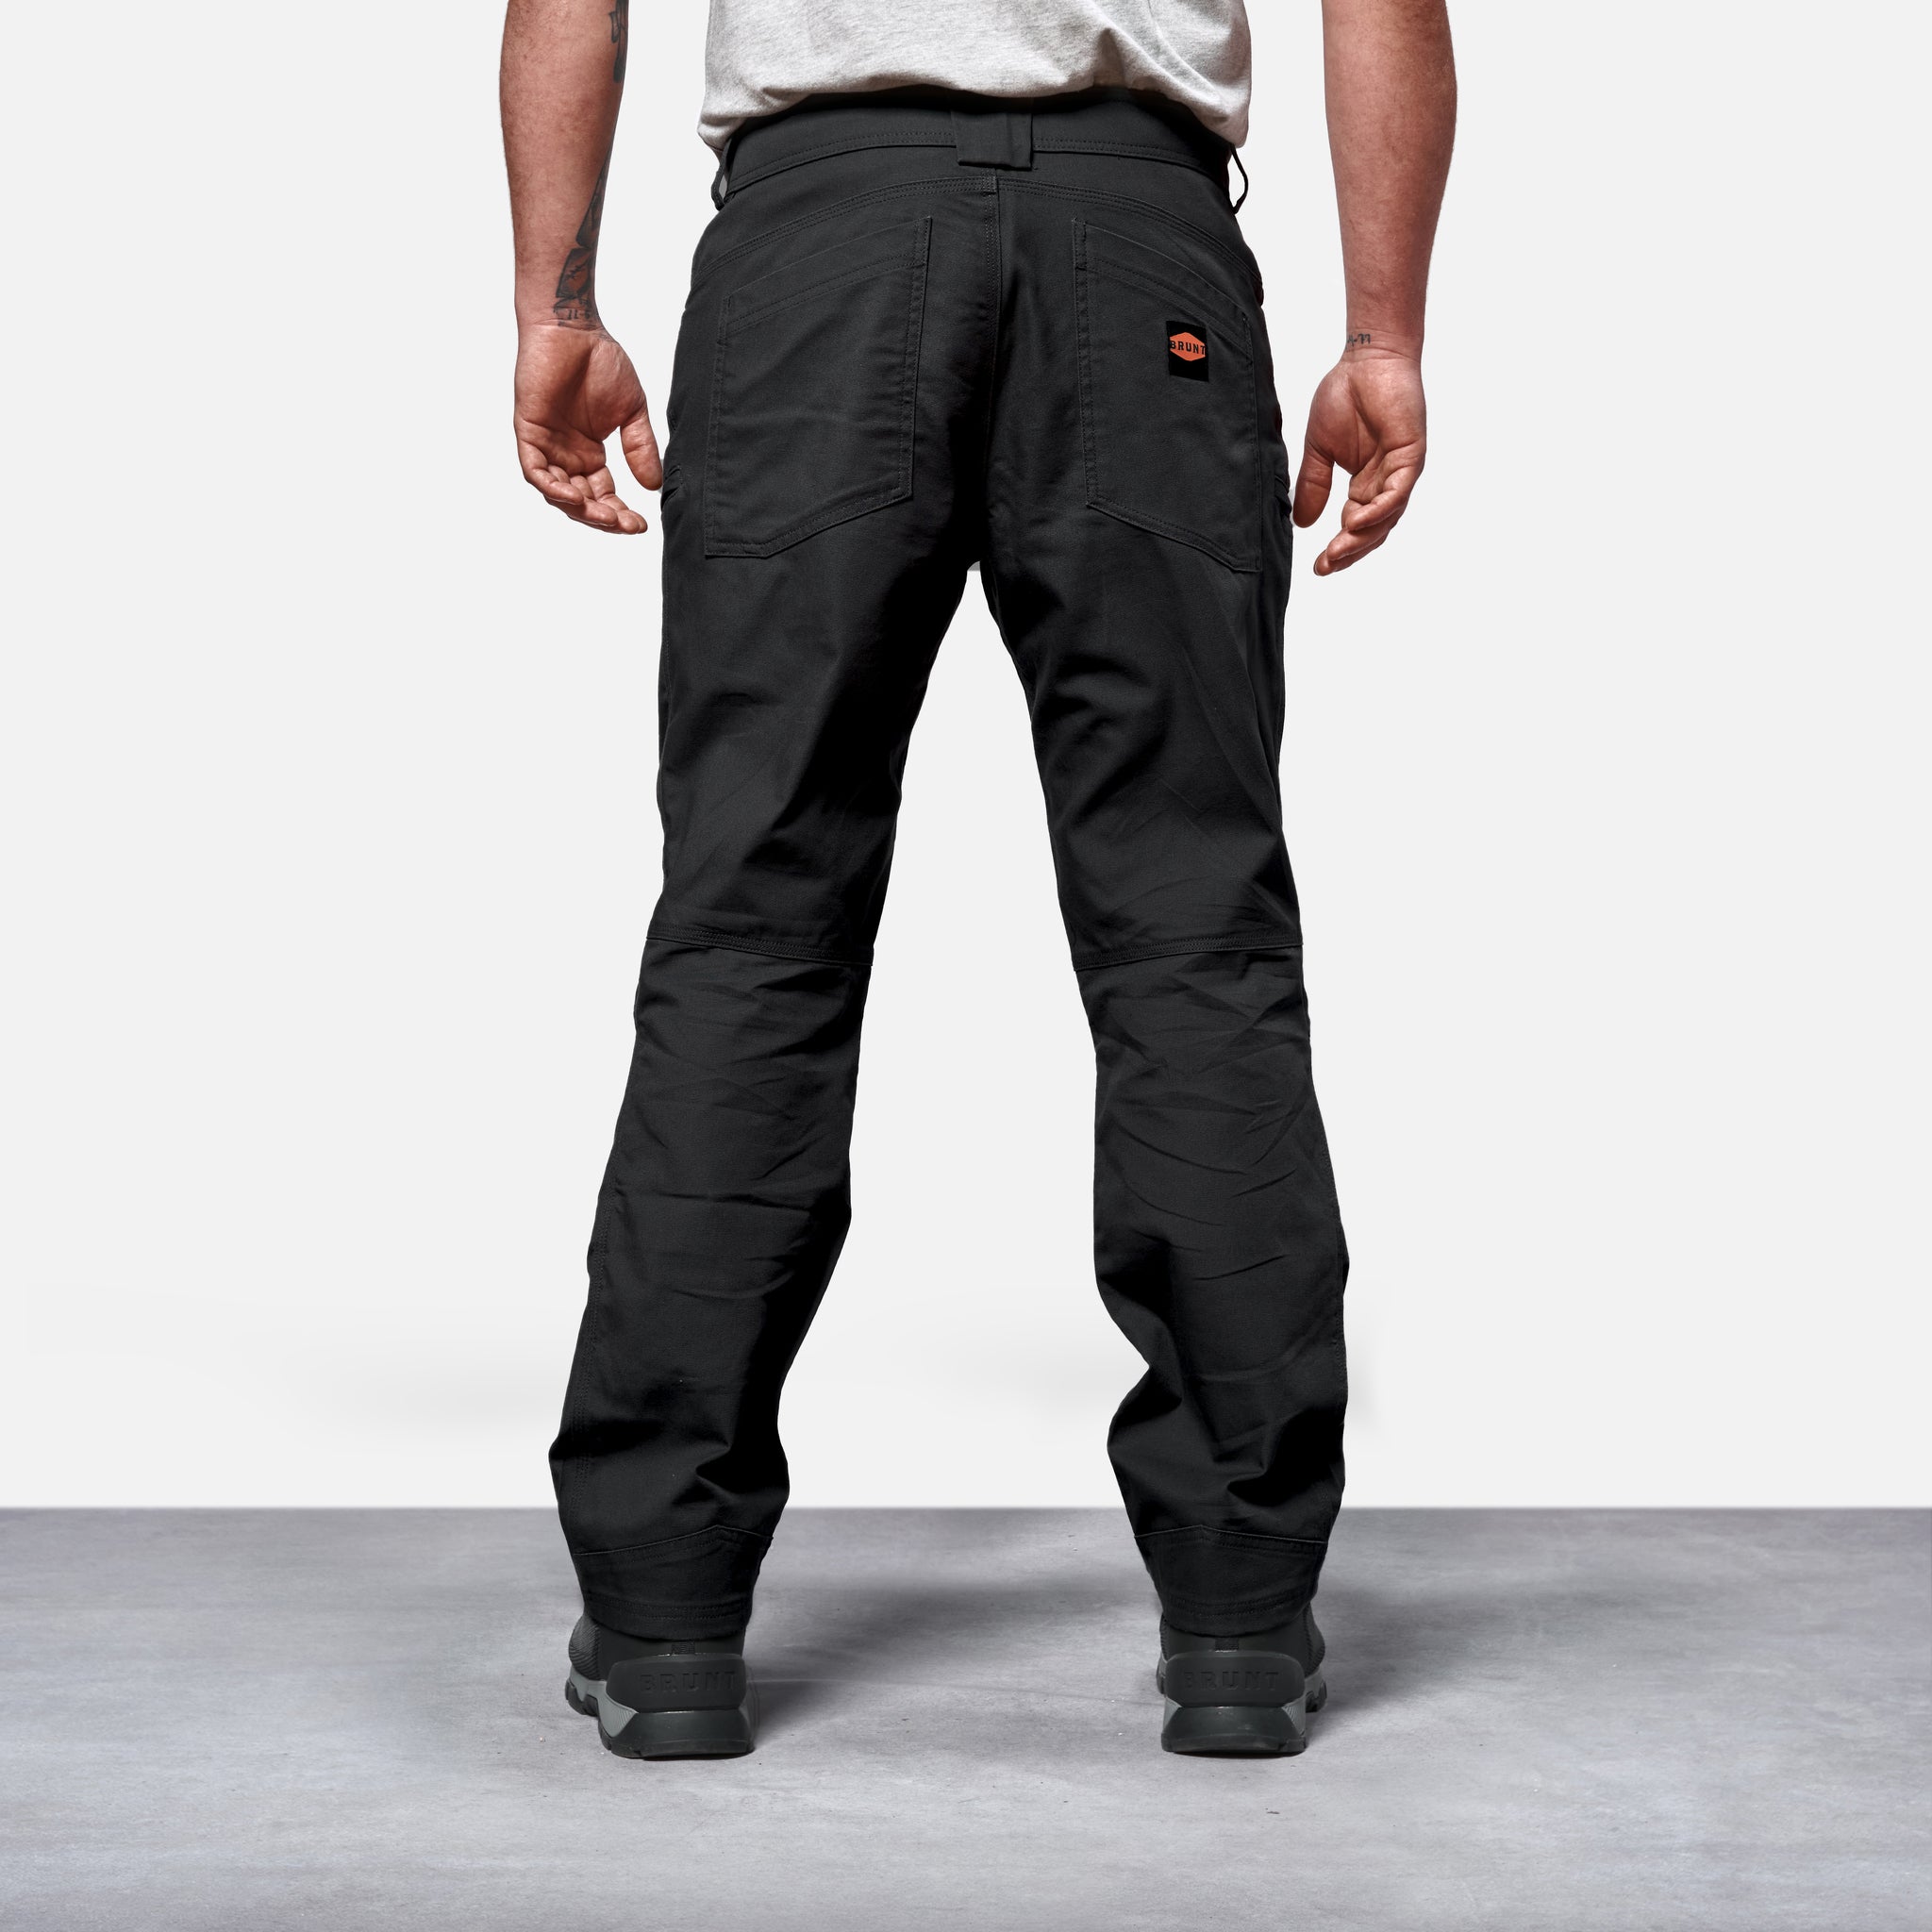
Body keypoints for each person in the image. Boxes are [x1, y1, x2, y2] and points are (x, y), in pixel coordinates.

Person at [500, 0, 1455, 1760]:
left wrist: (553, 306)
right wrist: (1383, 334)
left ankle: (664, 1620)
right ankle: (1241, 1621)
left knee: (753, 928)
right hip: (1140, 253)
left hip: (817, 256)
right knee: (1192, 936)